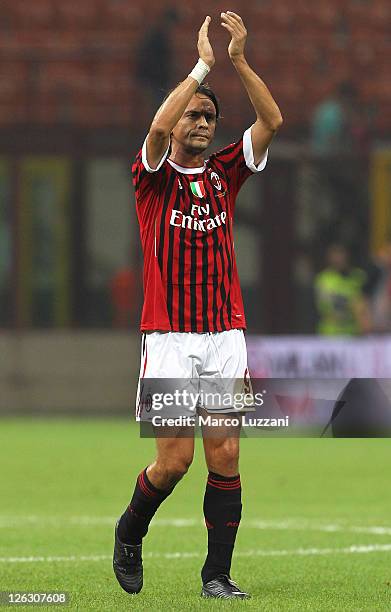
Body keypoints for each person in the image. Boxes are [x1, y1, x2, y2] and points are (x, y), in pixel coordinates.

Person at [113, 12, 282, 599]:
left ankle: (217, 576)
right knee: (174, 463)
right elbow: (157, 128)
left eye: (211, 115)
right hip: (168, 336)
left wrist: (238, 60)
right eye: (196, 113)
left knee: (227, 454)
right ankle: (131, 528)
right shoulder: (152, 177)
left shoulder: (225, 175)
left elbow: (272, 120)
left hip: (223, 335)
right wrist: (204, 66)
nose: (204, 122)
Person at [314, 244, 370, 336]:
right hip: (330, 333)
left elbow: (365, 301)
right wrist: (351, 302)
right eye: (335, 256)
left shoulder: (358, 276)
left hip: (354, 332)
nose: (338, 259)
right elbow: (325, 305)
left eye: (341, 255)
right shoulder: (324, 279)